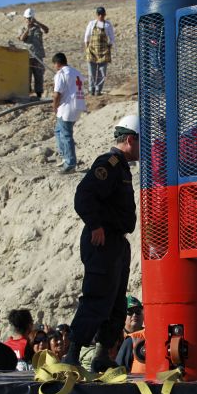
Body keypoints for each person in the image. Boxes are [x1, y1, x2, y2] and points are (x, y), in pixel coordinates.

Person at [62, 115, 140, 373]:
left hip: (116, 242)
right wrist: (96, 225)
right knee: (97, 296)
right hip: (103, 240)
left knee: (116, 301)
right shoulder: (108, 163)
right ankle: (73, 353)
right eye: (140, 142)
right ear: (130, 140)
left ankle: (102, 353)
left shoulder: (121, 167)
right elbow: (84, 195)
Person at [52, 52, 88, 174]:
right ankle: (65, 156)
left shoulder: (61, 74)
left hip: (66, 107)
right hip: (77, 106)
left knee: (66, 135)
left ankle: (70, 164)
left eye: (54, 65)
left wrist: (54, 106)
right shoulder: (75, 72)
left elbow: (57, 93)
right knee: (58, 131)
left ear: (57, 63)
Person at [18, 7, 49, 100]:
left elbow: (46, 30)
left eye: (30, 18)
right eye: (27, 18)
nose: (29, 20)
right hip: (27, 56)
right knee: (27, 76)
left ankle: (39, 94)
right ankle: (27, 94)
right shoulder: (22, 28)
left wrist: (37, 23)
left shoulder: (38, 27)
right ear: (24, 18)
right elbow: (21, 38)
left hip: (38, 56)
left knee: (39, 76)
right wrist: (28, 29)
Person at [84, 6, 115, 96]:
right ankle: (91, 89)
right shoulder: (92, 24)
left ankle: (98, 89)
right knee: (92, 72)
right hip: (92, 51)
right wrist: (87, 47)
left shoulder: (107, 25)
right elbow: (87, 36)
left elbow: (112, 37)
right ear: (97, 15)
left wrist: (109, 47)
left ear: (105, 14)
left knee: (102, 72)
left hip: (103, 52)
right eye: (99, 14)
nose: (101, 16)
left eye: (102, 14)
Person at [115, 295, 146, 373]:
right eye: (130, 312)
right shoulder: (112, 336)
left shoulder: (149, 336)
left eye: (138, 311)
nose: (134, 315)